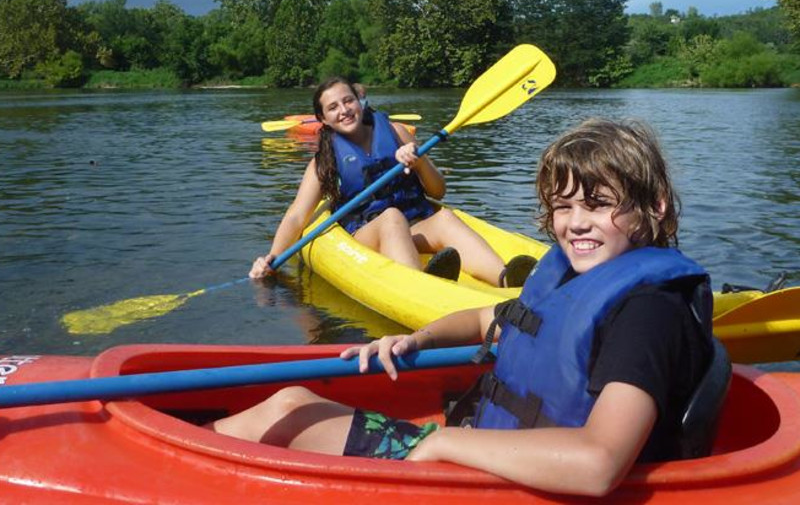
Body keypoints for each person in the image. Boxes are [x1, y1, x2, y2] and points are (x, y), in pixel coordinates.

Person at [224, 118, 713, 497]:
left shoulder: (649, 313)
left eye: (599, 204)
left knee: (288, 416)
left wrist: (438, 443)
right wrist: (419, 338)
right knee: (291, 402)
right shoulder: (575, 277)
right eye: (564, 208)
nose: (576, 224)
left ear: (658, 205)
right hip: (487, 453)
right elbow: (489, 319)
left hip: (506, 484)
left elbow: (597, 464)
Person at [250, 77, 534, 287]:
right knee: (391, 217)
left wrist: (418, 161)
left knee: (444, 218)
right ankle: (422, 287)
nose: (344, 110)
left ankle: (506, 278)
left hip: (414, 223)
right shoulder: (324, 162)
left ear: (359, 101)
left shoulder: (397, 133)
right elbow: (297, 215)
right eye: (333, 107)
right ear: (323, 119)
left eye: (348, 100)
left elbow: (438, 191)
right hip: (367, 233)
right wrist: (273, 258)